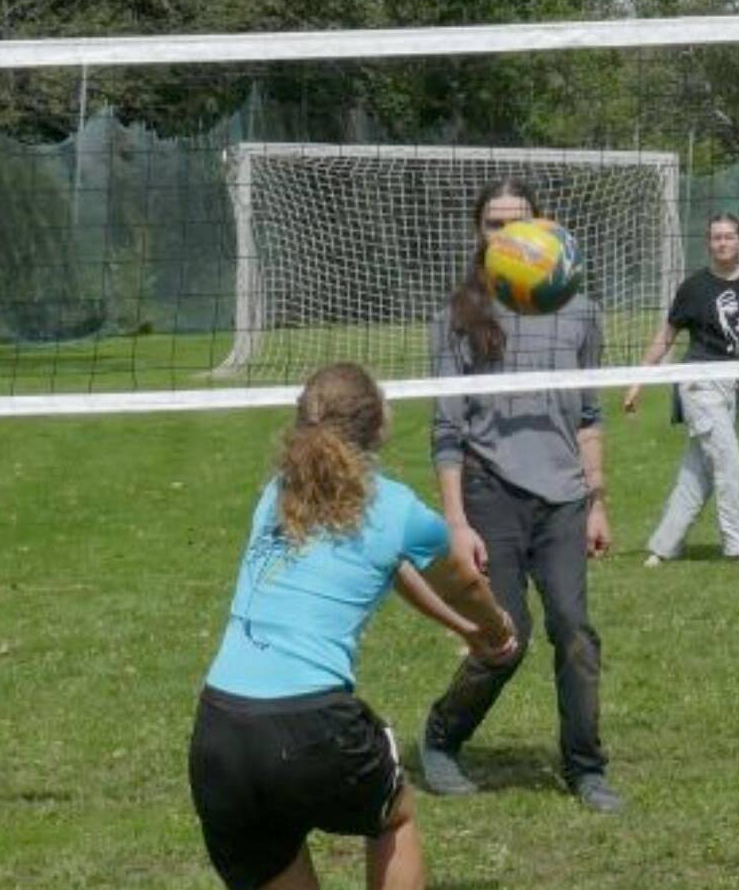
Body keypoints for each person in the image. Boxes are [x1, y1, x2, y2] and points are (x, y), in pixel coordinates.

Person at [189, 363, 521, 890]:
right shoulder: (395, 507)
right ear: (379, 427)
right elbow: (464, 583)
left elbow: (391, 568)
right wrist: (495, 628)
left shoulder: (276, 494)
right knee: (397, 812)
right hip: (309, 724)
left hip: (219, 734)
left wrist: (462, 629)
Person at [417, 178, 623, 813]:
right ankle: (441, 738)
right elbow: (447, 431)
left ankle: (586, 768)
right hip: (490, 491)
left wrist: (595, 501)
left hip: (563, 496)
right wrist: (457, 522)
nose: (505, 234)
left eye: (518, 222)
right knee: (507, 635)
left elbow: (588, 414)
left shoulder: (580, 310)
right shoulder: (458, 314)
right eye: (493, 225)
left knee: (576, 631)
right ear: (479, 235)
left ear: (542, 227)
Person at [622, 213, 739, 568]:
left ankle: (664, 546)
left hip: (736, 385)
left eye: (728, 236)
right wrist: (638, 382)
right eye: (716, 238)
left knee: (699, 470)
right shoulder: (694, 288)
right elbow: (665, 338)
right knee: (729, 462)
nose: (722, 243)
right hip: (698, 382)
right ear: (709, 244)